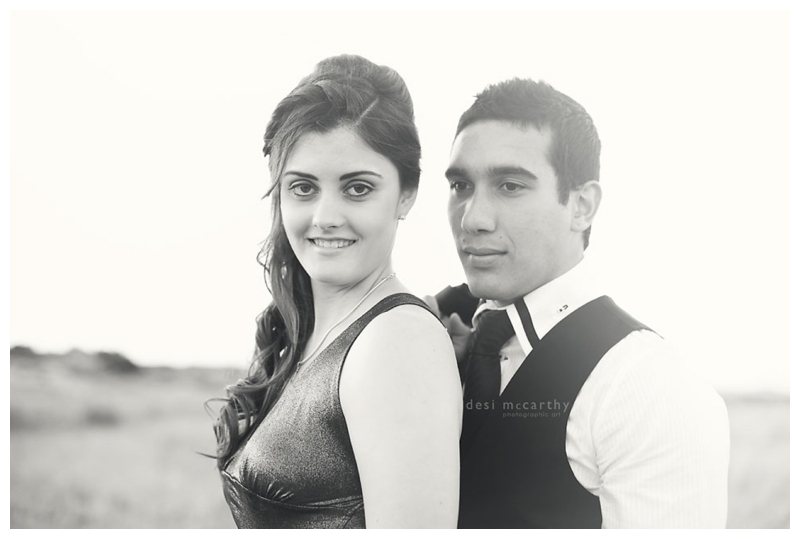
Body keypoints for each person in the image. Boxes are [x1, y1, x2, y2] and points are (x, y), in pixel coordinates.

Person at [429, 78, 730, 528]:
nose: (472, 219)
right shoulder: (428, 334)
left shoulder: (647, 386)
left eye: (510, 185)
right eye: (460, 185)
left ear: (582, 206)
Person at [211, 54, 462, 529]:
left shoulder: (398, 342)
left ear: (407, 193)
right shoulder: (314, 333)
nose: (325, 217)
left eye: (357, 189)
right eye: (303, 188)